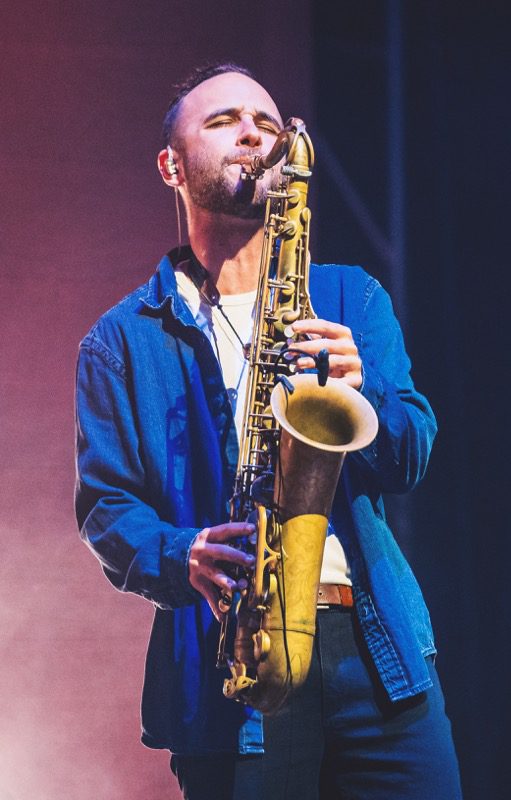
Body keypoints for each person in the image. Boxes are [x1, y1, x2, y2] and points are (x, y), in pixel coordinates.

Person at [74, 62, 462, 799]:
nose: (254, 131)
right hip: (236, 665)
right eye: (224, 121)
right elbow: (105, 510)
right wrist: (180, 552)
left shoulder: (351, 295)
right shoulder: (119, 342)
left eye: (267, 122)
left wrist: (363, 391)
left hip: (377, 653)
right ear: (171, 165)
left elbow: (411, 449)